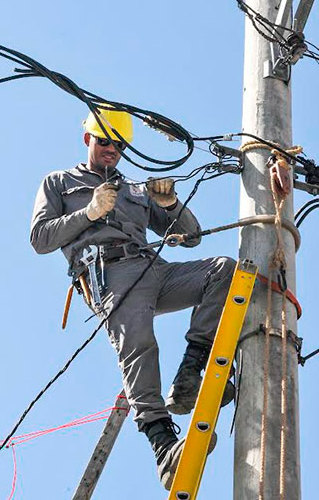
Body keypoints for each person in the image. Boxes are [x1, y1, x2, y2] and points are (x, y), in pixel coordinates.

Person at [30, 106, 236, 490]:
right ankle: (164, 450)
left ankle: (191, 372)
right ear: (87, 139)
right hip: (110, 275)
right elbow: (41, 238)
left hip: (152, 267)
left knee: (223, 271)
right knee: (139, 347)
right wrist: (89, 212)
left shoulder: (135, 189)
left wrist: (170, 204)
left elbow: (191, 237)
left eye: (119, 144)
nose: (112, 149)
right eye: (104, 141)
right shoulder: (59, 182)